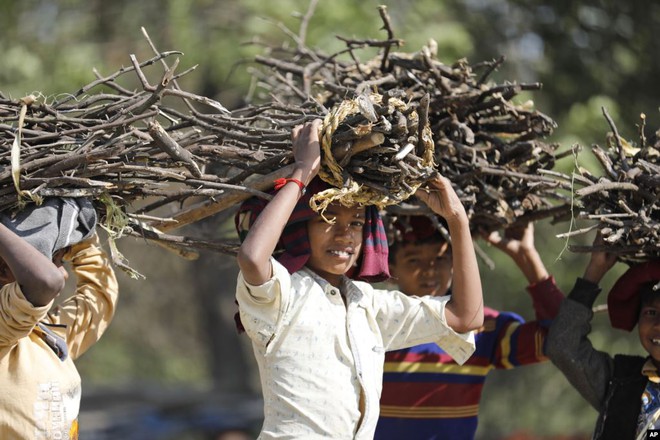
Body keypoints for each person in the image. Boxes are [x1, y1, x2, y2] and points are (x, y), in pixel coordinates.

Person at [234, 120, 484, 439]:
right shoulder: (283, 294)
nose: (344, 234)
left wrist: (456, 219)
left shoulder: (368, 305)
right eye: (327, 217)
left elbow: (466, 317)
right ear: (298, 226)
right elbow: (253, 258)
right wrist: (302, 172)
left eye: (354, 222)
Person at [375, 216, 565, 440]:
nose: (429, 270)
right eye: (414, 261)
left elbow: (560, 341)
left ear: (456, 263)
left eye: (440, 258)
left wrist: (527, 257)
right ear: (390, 267)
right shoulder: (375, 322)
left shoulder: (483, 327)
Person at [0, 197, 119, 439]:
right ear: (2, 269)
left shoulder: (46, 338)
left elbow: (100, 296)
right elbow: (45, 282)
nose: (63, 273)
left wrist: (79, 226)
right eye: (52, 260)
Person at [546, 237, 660, 439]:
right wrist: (594, 272)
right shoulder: (622, 381)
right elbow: (563, 346)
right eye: (651, 313)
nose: (658, 325)